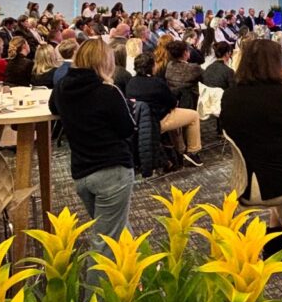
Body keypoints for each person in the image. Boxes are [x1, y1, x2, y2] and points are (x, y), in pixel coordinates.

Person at [222, 39, 282, 263]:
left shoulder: (230, 95)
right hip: (276, 180)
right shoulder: (281, 94)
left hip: (246, 183)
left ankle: (275, 238)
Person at [49, 39, 136, 284]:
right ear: (104, 62)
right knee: (105, 243)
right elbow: (127, 129)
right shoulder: (107, 92)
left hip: (81, 172)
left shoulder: (63, 87)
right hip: (112, 172)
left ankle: (139, 278)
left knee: (118, 230)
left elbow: (53, 107)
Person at [126, 52, 204, 167]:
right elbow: (172, 102)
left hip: (140, 122)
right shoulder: (156, 82)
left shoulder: (131, 82)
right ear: (152, 66)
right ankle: (193, 151)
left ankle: (180, 149)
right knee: (193, 115)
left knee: (174, 114)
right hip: (157, 121)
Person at [165, 40, 202, 109]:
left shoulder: (169, 65)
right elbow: (206, 79)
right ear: (185, 53)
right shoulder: (193, 68)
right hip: (190, 103)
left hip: (172, 102)